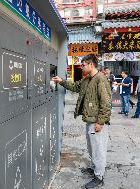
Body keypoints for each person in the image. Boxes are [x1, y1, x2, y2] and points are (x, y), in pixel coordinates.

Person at [52, 54, 111, 189]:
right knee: (92, 147)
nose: (81, 67)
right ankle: (94, 168)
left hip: (97, 121)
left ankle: (99, 177)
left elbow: (106, 103)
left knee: (98, 149)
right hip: (90, 119)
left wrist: (100, 122)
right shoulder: (87, 79)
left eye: (83, 64)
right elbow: (75, 86)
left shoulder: (100, 79)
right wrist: (61, 81)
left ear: (91, 64)